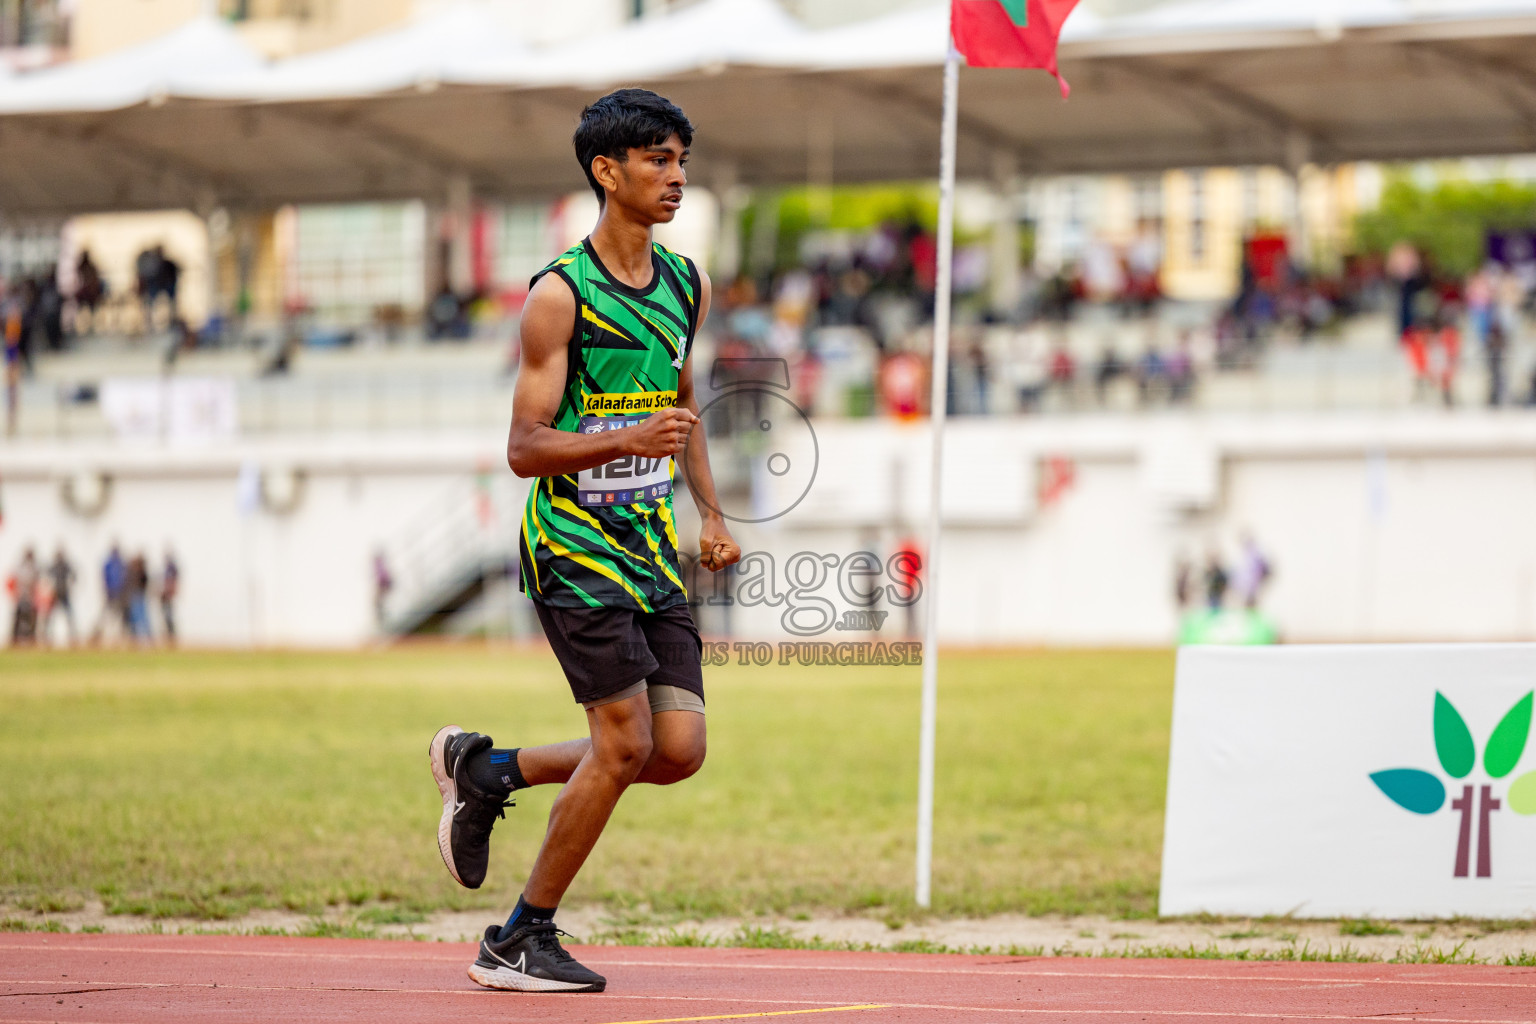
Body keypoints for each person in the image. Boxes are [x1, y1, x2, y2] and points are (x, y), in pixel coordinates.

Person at [428, 89, 739, 995]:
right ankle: (519, 938)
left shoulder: (689, 283)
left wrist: (712, 515)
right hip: (572, 543)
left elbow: (683, 413)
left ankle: (487, 770)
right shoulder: (559, 297)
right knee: (622, 742)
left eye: (682, 159)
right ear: (608, 171)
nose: (676, 176)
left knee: (674, 749)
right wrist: (622, 440)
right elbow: (524, 449)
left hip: (649, 546)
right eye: (658, 161)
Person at [45, 546, 77, 647]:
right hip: (55, 594)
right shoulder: (54, 566)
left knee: (69, 615)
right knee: (51, 616)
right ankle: (47, 636)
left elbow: (74, 575)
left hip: (64, 593)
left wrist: (70, 585)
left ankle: (73, 636)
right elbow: (47, 576)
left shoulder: (65, 566)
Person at [8, 547, 40, 646]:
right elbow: (15, 581)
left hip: (30, 597)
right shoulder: (20, 566)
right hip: (21, 596)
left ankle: (32, 638)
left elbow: (36, 582)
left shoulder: (35, 567)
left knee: (32, 618)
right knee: (17, 617)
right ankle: (14, 638)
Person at [160, 548, 180, 645]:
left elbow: (173, 581)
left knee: (169, 617)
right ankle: (169, 637)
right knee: (166, 617)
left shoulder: (172, 568)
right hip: (165, 596)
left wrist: (171, 592)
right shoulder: (167, 568)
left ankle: (172, 637)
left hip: (168, 596)